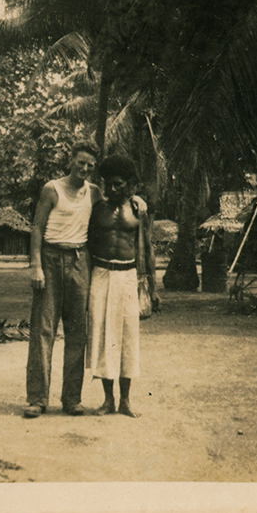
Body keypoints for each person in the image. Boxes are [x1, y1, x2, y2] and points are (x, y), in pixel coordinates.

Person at [23, 140, 102, 418]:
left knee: (77, 333)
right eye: (80, 162)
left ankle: (71, 399)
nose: (84, 168)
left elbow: (115, 207)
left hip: (80, 262)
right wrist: (36, 266)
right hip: (50, 258)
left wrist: (137, 200)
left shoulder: (94, 192)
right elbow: (37, 227)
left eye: (90, 165)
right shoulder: (52, 188)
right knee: (43, 330)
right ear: (70, 160)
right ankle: (37, 399)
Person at [86, 154, 159, 417]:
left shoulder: (138, 210)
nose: (112, 189)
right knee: (105, 338)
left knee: (128, 338)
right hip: (102, 274)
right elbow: (88, 248)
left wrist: (153, 286)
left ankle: (126, 401)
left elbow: (148, 248)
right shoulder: (98, 210)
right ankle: (108, 401)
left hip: (128, 276)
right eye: (108, 184)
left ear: (129, 185)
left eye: (118, 184)